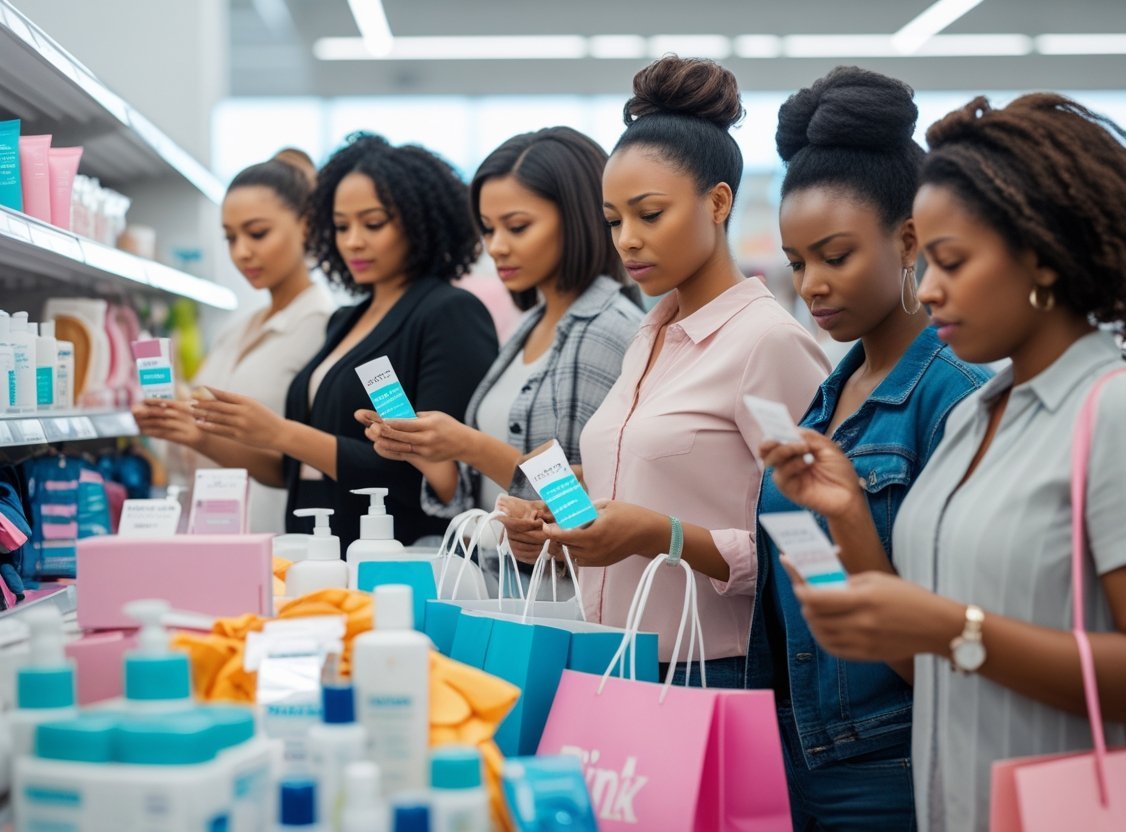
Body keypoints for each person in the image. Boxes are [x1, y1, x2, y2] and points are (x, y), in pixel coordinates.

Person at [765, 94, 1126, 831]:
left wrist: (952, 628)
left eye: (951, 261)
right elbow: (924, 656)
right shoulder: (977, 418)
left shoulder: (1121, 414)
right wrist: (848, 514)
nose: (930, 287)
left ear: (1038, 253)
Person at [506, 56, 831, 686]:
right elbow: (657, 479)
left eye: (649, 215)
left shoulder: (769, 344)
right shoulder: (647, 337)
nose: (626, 239)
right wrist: (560, 518)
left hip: (710, 670)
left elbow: (812, 548)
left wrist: (664, 536)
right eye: (613, 221)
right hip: (608, 659)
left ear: (717, 202)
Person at [746, 67, 991, 830]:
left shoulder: (956, 397)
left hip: (893, 762)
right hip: (796, 749)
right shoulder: (829, 393)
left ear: (909, 238)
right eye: (797, 263)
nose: (813, 284)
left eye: (835, 255)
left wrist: (850, 521)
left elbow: (954, 635)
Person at [192, 134, 498, 549]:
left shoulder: (448, 314)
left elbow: (433, 477)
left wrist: (280, 432)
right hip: (315, 543)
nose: (353, 240)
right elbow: (302, 466)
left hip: (396, 552)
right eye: (340, 226)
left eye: (373, 224)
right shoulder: (344, 321)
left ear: (418, 220)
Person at [357, 127, 643, 539]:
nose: (496, 247)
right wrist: (423, 447)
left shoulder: (608, 331)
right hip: (498, 582)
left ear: (579, 218)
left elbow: (582, 510)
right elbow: (481, 494)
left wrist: (468, 445)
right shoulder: (527, 326)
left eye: (517, 227)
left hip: (555, 597)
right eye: (488, 229)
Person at [133, 151, 334, 533]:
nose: (242, 251)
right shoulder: (237, 328)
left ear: (306, 225)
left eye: (257, 233)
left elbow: (295, 462)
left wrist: (197, 434)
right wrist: (170, 415)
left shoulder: (323, 329)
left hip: (274, 536)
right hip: (206, 526)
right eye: (230, 237)